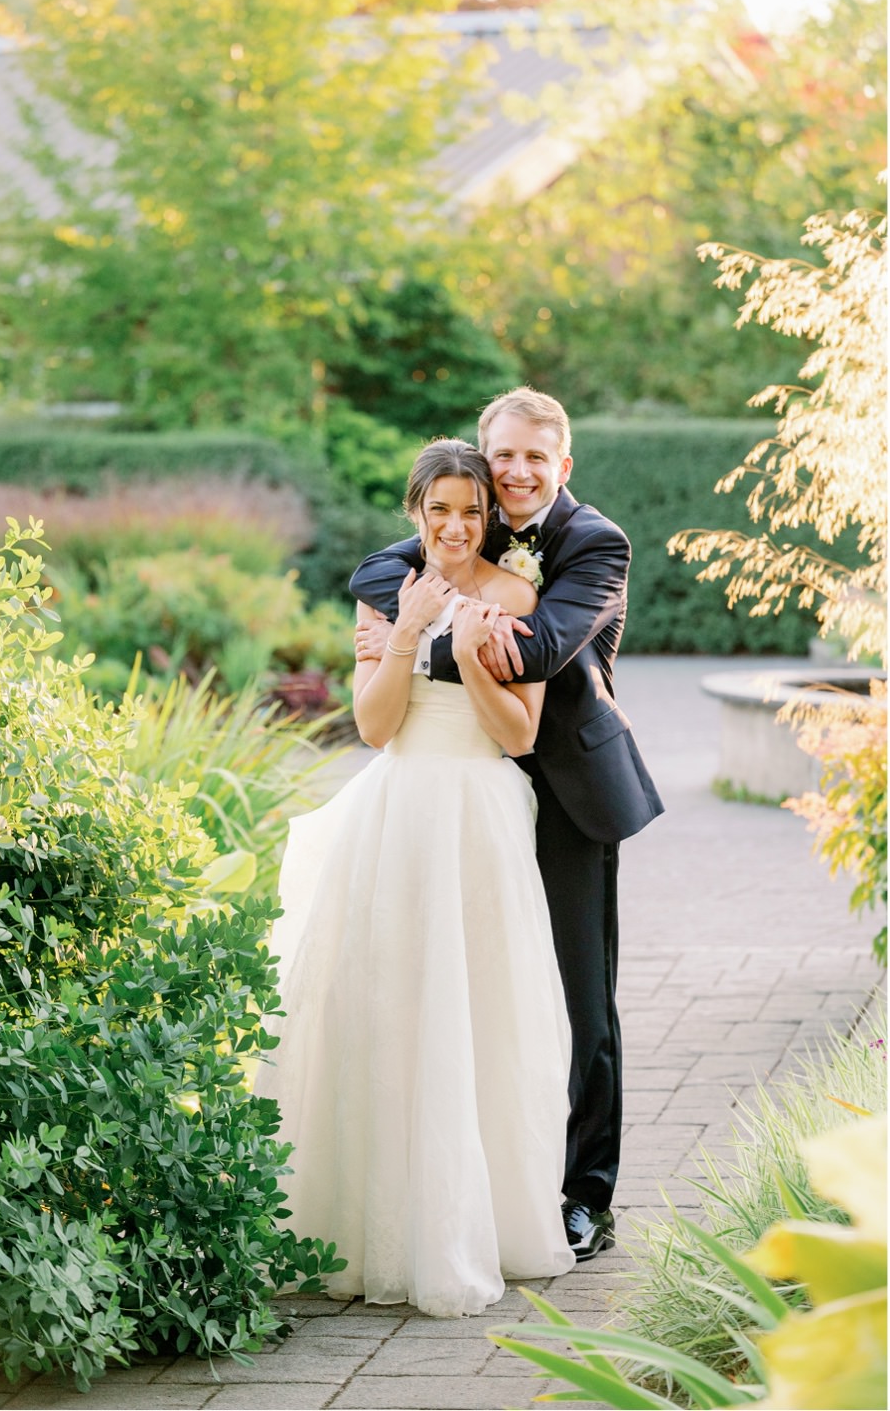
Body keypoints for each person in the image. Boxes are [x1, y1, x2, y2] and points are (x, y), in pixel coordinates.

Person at [259, 438, 575, 1315]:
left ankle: (482, 1225)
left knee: (480, 1008)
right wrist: (406, 631)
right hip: (398, 812)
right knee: (388, 1007)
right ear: (416, 513)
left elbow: (519, 735)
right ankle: (378, 1226)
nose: (456, 526)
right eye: (439, 510)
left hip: (479, 811)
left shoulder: (517, 597)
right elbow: (374, 728)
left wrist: (471, 655)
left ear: (489, 516)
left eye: (472, 511)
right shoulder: (385, 593)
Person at [351, 387, 662, 1263]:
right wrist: (419, 610)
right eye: (504, 456)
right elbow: (373, 571)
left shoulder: (595, 541)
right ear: (484, 463)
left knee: (578, 998)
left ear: (563, 464)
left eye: (535, 457)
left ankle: (586, 1197)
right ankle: (492, 1186)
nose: (518, 471)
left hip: (563, 788)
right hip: (466, 791)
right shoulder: (471, 527)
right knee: (484, 991)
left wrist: (420, 634)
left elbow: (541, 646)